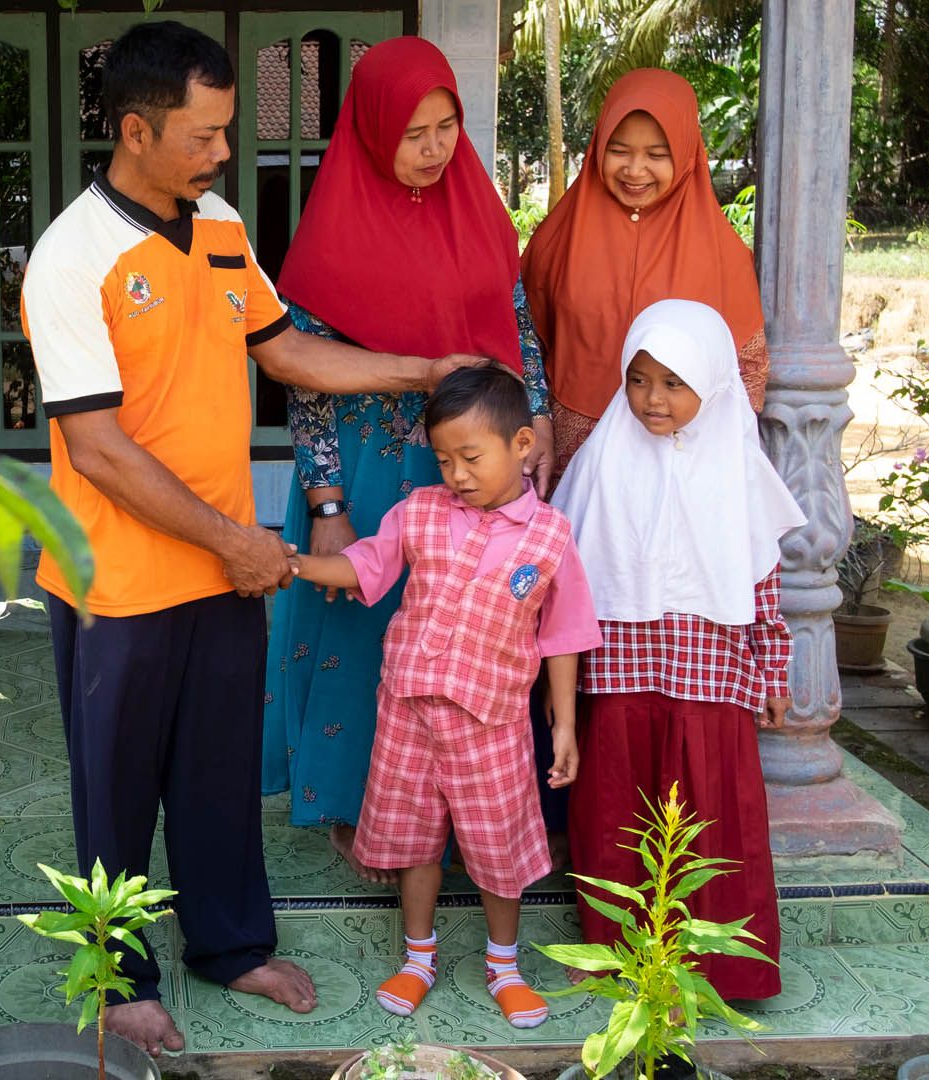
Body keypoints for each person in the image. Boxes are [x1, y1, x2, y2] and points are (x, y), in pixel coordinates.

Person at [19, 21, 480, 1055]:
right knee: (116, 786)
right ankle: (117, 978)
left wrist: (419, 370)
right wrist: (234, 538)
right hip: (120, 576)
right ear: (136, 131)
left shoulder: (219, 224)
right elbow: (96, 447)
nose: (226, 152)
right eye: (206, 133)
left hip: (222, 568)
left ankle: (229, 945)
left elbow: (287, 354)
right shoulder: (71, 257)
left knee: (217, 771)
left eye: (226, 131)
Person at [259, 36, 556, 885]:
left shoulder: (477, 213)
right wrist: (325, 502)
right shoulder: (329, 234)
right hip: (366, 469)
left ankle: (464, 810)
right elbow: (302, 382)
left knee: (464, 639)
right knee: (367, 633)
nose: (434, 148)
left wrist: (532, 438)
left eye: (447, 127)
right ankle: (359, 811)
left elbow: (517, 334)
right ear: (371, 128)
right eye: (414, 131)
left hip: (467, 465)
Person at [287, 365, 601, 1026]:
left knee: (498, 851)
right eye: (444, 458)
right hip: (407, 715)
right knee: (414, 845)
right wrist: (293, 563)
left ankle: (504, 965)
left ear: (522, 446)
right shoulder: (422, 513)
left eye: (471, 457)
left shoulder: (549, 537)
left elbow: (565, 636)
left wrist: (566, 726)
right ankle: (419, 958)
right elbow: (365, 566)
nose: (455, 474)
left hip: (492, 724)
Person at [552, 299, 804, 1001]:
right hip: (622, 673)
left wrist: (773, 671)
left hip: (710, 674)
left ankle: (721, 965)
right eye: (638, 379)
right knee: (613, 813)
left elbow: (761, 581)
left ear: (715, 383)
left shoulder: (738, 466)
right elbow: (565, 575)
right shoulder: (604, 457)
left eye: (673, 382)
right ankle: (611, 954)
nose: (652, 399)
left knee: (710, 815)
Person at [521, 67, 768, 479]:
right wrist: (538, 423)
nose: (635, 170)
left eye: (656, 155)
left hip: (685, 461)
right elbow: (522, 341)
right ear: (598, 146)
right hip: (576, 456)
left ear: (687, 153)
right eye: (619, 150)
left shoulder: (722, 253)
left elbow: (748, 367)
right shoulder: (557, 240)